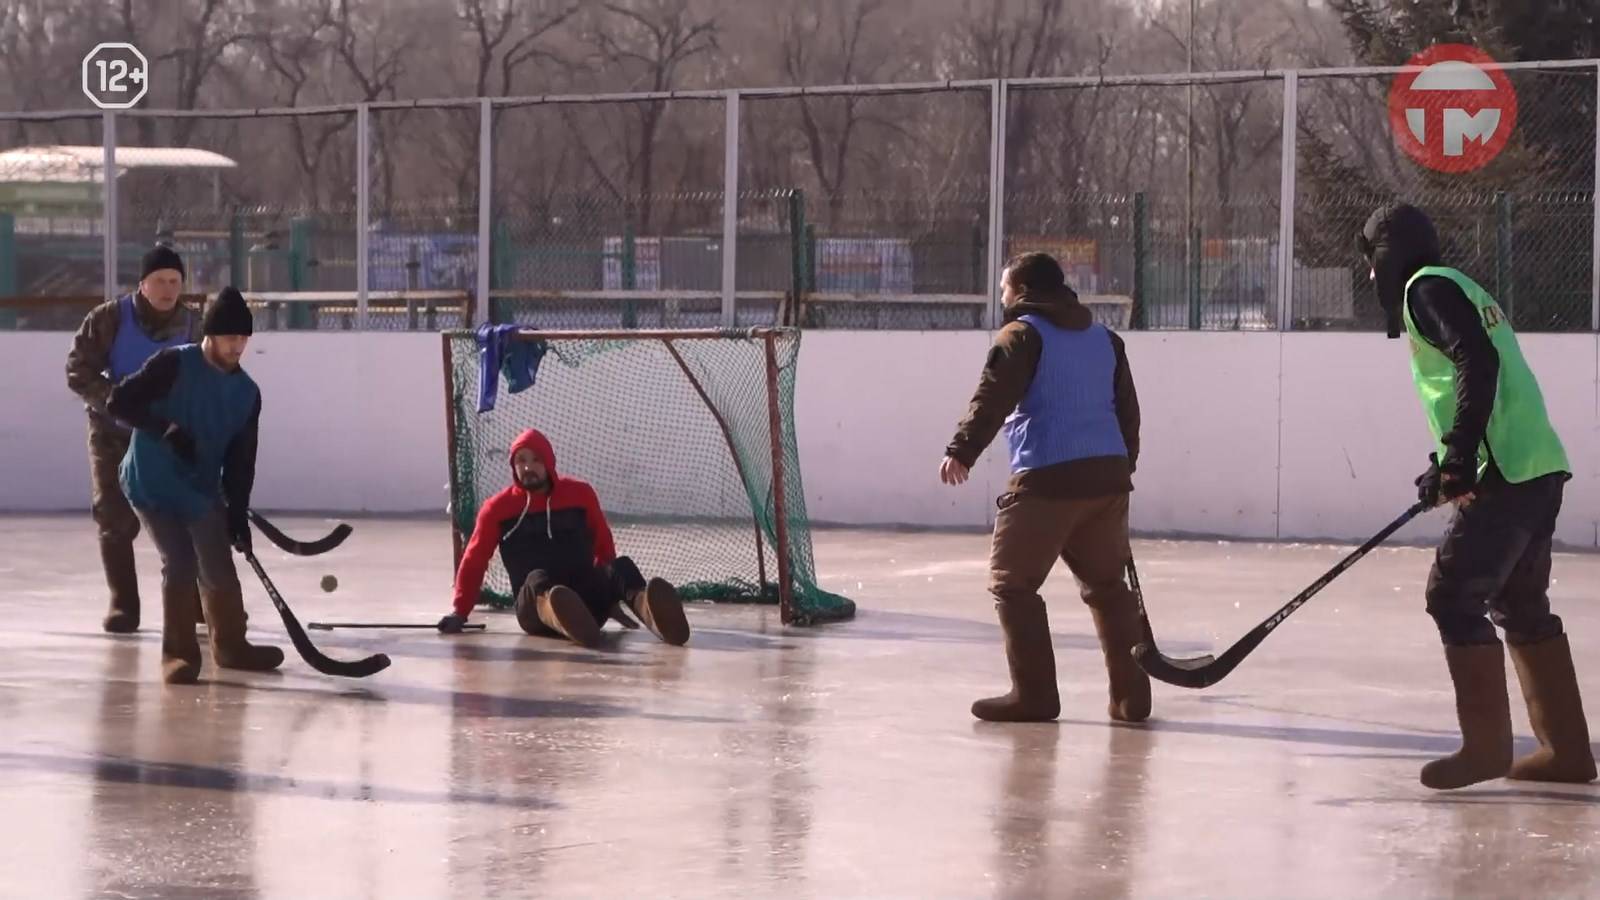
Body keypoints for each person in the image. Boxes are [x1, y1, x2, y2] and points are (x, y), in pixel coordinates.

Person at [1359, 203, 1594, 789]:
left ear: (1387, 258)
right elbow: (1479, 377)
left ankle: (1486, 750)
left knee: (1453, 597)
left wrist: (1462, 456)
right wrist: (1444, 464)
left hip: (1506, 474)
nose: (1369, 278)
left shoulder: (1423, 290)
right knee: (1521, 608)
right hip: (1536, 465)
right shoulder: (1458, 285)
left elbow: (1476, 360)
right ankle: (1566, 752)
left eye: (1369, 262)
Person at [939, 252, 1145, 723]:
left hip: (1047, 478)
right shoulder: (1106, 340)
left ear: (1024, 289)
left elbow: (993, 395)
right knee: (1109, 589)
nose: (1003, 297)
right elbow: (1127, 414)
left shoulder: (1022, 335)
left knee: (1012, 584)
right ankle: (1131, 700)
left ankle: (1034, 696)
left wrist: (961, 450)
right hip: (1107, 479)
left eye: (1005, 288)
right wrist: (1117, 472)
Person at [106, 287, 282, 684]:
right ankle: (178, 655)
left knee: (218, 562)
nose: (237, 346)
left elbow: (241, 461)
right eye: (229, 337)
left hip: (197, 486)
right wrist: (165, 429)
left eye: (243, 338)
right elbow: (119, 402)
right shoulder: (174, 363)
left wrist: (237, 513)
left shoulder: (247, 394)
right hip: (150, 482)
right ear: (209, 334)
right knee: (181, 561)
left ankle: (232, 646)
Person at [439, 427, 690, 648]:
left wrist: (611, 592)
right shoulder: (497, 508)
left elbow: (603, 543)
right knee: (538, 578)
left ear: (548, 462)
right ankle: (562, 616)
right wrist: (460, 612)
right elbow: (475, 559)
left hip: (585, 602)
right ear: (513, 465)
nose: (527, 467)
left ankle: (655, 616)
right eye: (521, 460)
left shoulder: (579, 494)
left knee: (621, 566)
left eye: (535, 460)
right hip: (534, 611)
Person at [65, 245, 201, 633]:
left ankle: (193, 602)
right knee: (114, 517)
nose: (167, 289)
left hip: (168, 436)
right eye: (159, 280)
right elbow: (78, 369)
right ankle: (124, 603)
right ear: (142, 284)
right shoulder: (109, 318)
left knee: (185, 519)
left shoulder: (193, 327)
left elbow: (209, 377)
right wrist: (117, 402)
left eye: (175, 281)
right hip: (113, 434)